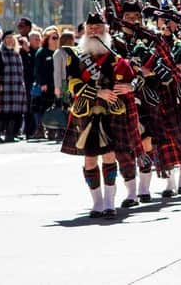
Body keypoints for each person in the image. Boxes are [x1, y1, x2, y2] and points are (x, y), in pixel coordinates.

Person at [60, 12, 137, 218]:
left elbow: (134, 76)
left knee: (110, 155)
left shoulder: (116, 52)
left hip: (112, 110)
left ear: (106, 30)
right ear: (85, 30)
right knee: (90, 158)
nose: (94, 32)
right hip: (86, 110)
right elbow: (72, 84)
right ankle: (98, 202)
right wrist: (97, 92)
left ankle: (110, 202)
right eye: (90, 28)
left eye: (98, 28)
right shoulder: (75, 55)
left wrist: (129, 86)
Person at [0, 31, 28, 143]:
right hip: (4, 86)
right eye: (7, 38)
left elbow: (21, 72)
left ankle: (10, 134)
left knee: (14, 112)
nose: (9, 40)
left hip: (16, 87)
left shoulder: (17, 53)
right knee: (1, 112)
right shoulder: (0, 52)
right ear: (4, 39)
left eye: (11, 38)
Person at [32, 26, 60, 140]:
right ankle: (40, 129)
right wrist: (42, 83)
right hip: (46, 85)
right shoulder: (42, 52)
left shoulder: (60, 51)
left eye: (57, 37)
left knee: (57, 108)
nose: (56, 40)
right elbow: (38, 69)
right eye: (53, 38)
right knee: (44, 108)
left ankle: (53, 131)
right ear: (47, 39)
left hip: (58, 84)